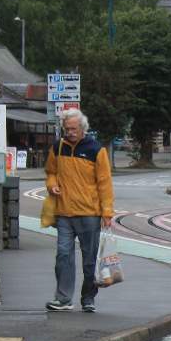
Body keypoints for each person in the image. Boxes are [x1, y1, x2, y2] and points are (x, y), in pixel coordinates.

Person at [44, 109, 113, 313]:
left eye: (73, 129)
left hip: (89, 213)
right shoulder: (57, 148)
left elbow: (105, 183)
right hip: (64, 212)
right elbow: (51, 172)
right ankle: (64, 299)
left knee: (89, 259)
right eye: (67, 129)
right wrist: (52, 184)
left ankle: (88, 297)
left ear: (83, 128)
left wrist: (107, 212)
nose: (70, 132)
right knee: (63, 255)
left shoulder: (96, 150)